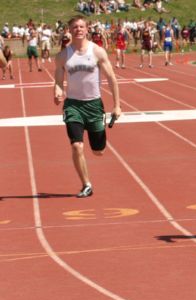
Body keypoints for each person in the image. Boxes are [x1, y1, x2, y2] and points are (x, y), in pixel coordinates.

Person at [53, 15, 122, 198]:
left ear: (87, 29)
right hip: (73, 106)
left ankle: (98, 140)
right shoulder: (62, 56)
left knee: (98, 150)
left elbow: (112, 79)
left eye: (81, 26)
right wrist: (58, 92)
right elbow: (59, 82)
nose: (78, 29)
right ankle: (86, 184)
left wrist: (117, 106)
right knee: (77, 146)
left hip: (94, 105)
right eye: (75, 27)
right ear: (69, 30)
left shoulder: (97, 52)